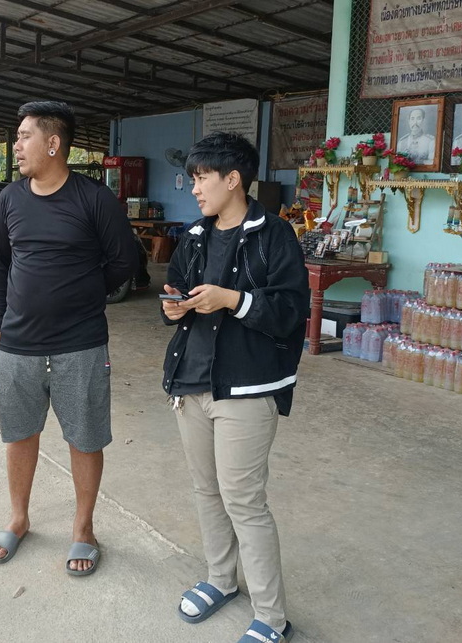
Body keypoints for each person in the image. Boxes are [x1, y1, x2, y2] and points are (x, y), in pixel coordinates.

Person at [160, 132, 308, 643]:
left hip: (248, 386)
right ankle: (221, 579)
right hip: (192, 381)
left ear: (233, 179)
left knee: (244, 501)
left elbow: (291, 312)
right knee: (207, 490)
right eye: (194, 179)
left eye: (202, 178)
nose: (194, 188)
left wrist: (233, 299)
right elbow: (176, 289)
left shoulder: (275, 235)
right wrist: (174, 307)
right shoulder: (195, 235)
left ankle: (271, 618)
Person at [0, 100, 138, 576]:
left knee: (85, 439)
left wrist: (83, 294)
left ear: (53, 144)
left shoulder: (94, 198)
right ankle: (18, 518)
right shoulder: (10, 199)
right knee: (19, 434)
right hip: (18, 344)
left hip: (81, 343)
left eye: (24, 136)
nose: (17, 144)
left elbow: (124, 261)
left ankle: (83, 528)